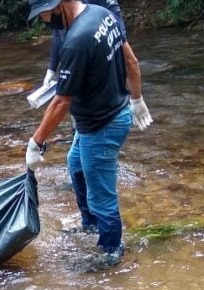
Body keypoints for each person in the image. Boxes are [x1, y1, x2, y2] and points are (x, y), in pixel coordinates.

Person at [24, 0, 153, 266]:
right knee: (76, 167)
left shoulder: (76, 41)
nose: (44, 21)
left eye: (45, 15)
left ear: (58, 5)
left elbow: (61, 102)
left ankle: (111, 252)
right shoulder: (102, 14)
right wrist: (137, 99)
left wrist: (36, 142)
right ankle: (91, 225)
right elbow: (131, 59)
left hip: (102, 126)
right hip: (105, 116)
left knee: (101, 196)